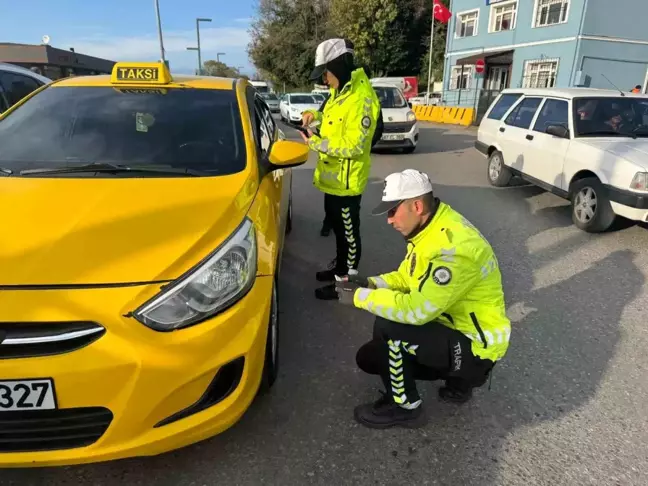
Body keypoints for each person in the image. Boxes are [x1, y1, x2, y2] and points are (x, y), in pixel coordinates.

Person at [335, 169, 511, 429]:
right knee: (378, 342)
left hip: (476, 347)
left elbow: (416, 311)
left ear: (416, 206)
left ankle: (407, 407)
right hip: (455, 328)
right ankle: (458, 382)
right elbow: (407, 278)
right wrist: (371, 283)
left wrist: (359, 297)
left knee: (388, 331)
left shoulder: (454, 250)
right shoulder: (431, 229)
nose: (388, 220)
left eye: (392, 211)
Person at [298, 38, 382, 300]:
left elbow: (355, 145)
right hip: (332, 181)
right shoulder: (339, 93)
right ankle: (340, 268)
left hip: (347, 184)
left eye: (326, 73)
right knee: (337, 227)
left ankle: (346, 283)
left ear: (339, 66)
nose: (324, 80)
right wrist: (313, 115)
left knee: (349, 234)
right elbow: (330, 117)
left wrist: (316, 143)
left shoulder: (362, 98)